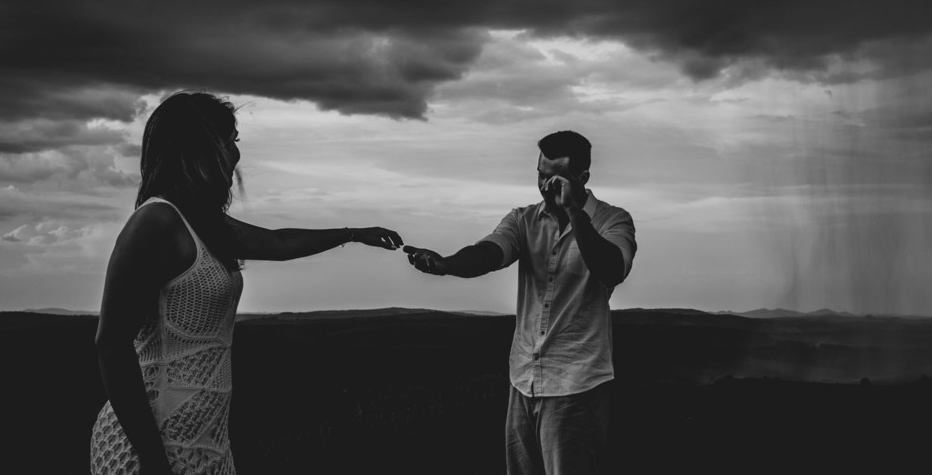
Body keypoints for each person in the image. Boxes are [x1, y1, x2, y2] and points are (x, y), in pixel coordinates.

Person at [91, 91, 403, 475]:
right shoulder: (155, 222)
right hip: (151, 446)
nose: (235, 154)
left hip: (204, 443)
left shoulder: (202, 224)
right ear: (200, 146)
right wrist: (154, 460)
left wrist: (354, 233)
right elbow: (110, 344)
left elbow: (279, 242)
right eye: (229, 141)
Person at [403, 130, 636, 475]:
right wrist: (447, 264)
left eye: (554, 178)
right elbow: (490, 252)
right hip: (523, 381)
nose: (544, 186)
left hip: (577, 386)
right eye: (540, 175)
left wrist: (573, 211)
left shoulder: (613, 220)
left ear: (582, 178)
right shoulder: (523, 219)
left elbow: (612, 269)